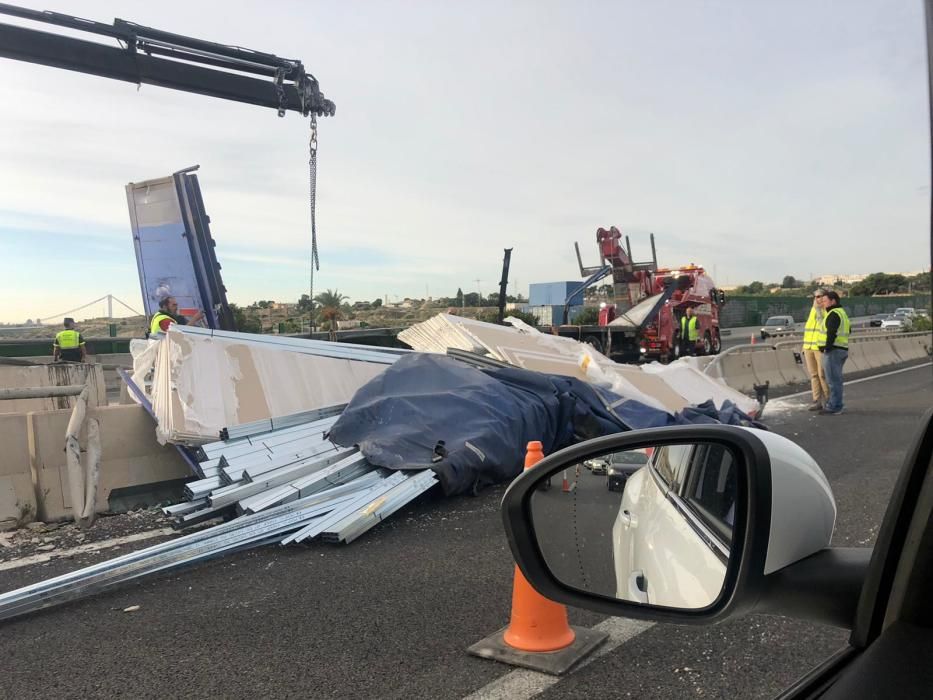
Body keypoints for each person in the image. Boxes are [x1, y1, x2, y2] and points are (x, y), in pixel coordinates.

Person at [818, 290, 850, 415]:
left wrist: (827, 347)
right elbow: (849, 330)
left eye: (825, 301)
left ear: (833, 301)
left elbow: (831, 332)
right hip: (842, 349)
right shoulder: (842, 313)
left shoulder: (833, 314)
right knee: (836, 380)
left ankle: (834, 406)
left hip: (833, 351)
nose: (823, 303)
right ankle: (837, 404)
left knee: (833, 381)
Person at [802, 289, 830, 411]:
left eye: (819, 296)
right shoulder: (813, 310)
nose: (817, 299)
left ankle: (828, 400)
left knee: (822, 375)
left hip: (820, 348)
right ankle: (816, 400)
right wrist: (804, 346)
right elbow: (809, 329)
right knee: (813, 375)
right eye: (815, 297)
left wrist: (819, 309)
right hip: (808, 347)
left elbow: (823, 324)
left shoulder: (827, 310)